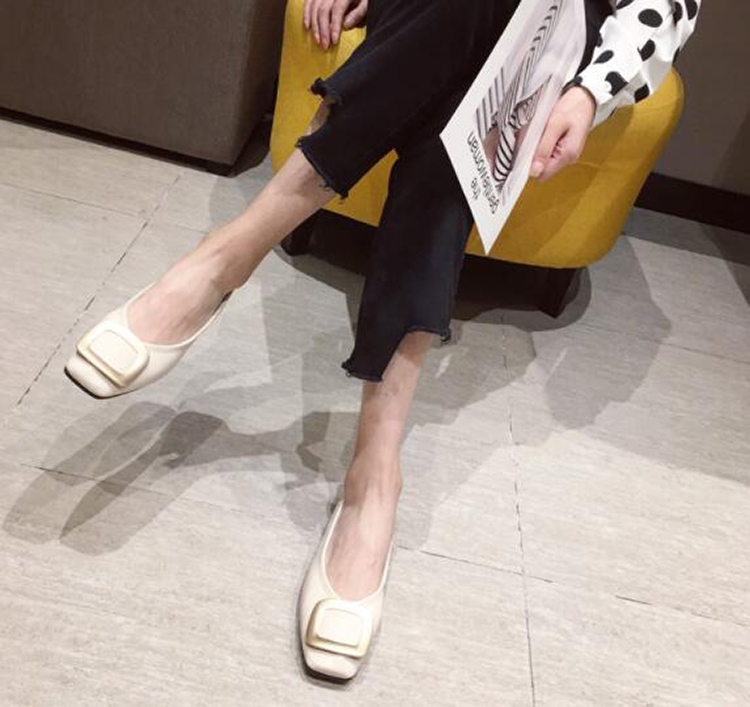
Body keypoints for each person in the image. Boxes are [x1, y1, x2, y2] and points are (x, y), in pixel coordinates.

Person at [64, 0, 702, 681]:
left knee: (468, 90)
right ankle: (376, 469)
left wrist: (590, 89)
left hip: (556, 36)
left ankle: (227, 258)